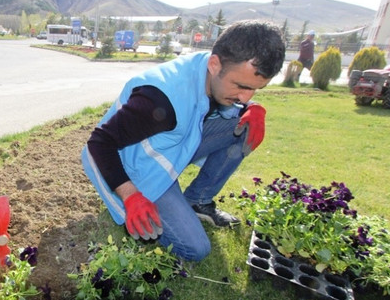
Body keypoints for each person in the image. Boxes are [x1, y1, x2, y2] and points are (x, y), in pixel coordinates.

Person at [81, 20, 285, 261]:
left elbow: (233, 103)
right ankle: (143, 201)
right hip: (135, 169)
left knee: (245, 125)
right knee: (196, 249)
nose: (244, 96)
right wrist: (130, 196)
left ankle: (198, 201)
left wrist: (253, 108)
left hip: (171, 146)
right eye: (241, 86)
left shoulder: (210, 69)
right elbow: (99, 142)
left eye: (254, 90)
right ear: (214, 64)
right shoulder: (159, 102)